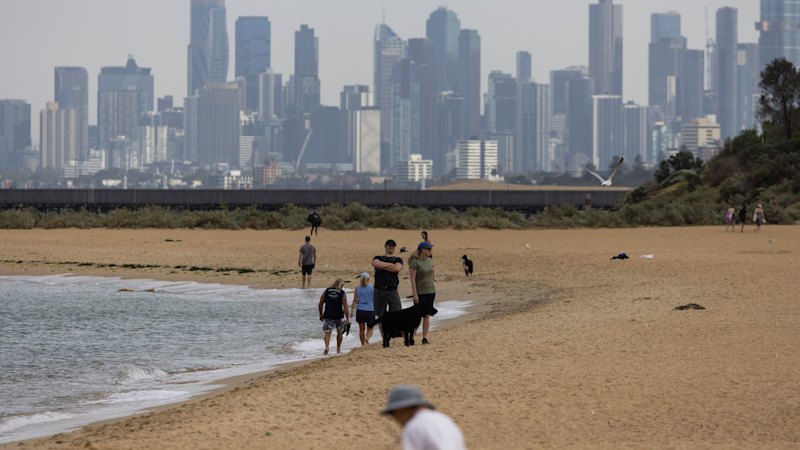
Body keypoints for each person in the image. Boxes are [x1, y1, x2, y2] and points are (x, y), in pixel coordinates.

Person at [382, 385, 465, 450]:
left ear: (401, 409)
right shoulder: (445, 420)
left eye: (393, 413)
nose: (395, 419)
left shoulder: (414, 426)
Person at [372, 240, 404, 336]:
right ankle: (384, 337)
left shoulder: (397, 259)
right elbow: (375, 263)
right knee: (381, 315)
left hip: (392, 290)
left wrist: (383, 266)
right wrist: (390, 266)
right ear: (385, 246)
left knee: (396, 311)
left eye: (393, 246)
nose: (391, 247)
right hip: (380, 290)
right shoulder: (378, 257)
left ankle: (394, 333)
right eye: (389, 245)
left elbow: (397, 268)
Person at [409, 241, 437, 345]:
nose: (430, 251)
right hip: (420, 293)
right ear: (422, 250)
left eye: (430, 249)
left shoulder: (430, 260)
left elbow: (433, 269)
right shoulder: (415, 262)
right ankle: (411, 337)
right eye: (428, 249)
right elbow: (412, 279)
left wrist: (434, 279)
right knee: (417, 316)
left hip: (431, 291)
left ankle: (425, 338)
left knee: (427, 315)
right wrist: (415, 294)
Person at [318, 278, 349, 355]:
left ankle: (327, 347)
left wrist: (321, 314)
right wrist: (347, 317)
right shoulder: (342, 293)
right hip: (339, 316)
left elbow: (321, 302)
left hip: (328, 315)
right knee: (339, 333)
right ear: (341, 285)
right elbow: (345, 306)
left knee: (327, 332)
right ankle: (338, 350)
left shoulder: (327, 291)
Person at [351, 272, 375, 346]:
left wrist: (352, 310)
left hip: (360, 310)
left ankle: (363, 344)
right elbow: (375, 299)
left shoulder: (357, 288)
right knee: (370, 328)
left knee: (361, 329)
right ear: (368, 279)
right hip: (370, 309)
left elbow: (355, 300)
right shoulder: (372, 288)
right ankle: (367, 338)